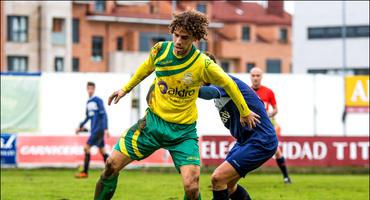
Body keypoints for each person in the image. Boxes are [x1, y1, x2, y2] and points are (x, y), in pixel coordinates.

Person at [94, 10, 260, 200]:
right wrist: (124, 89)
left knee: (192, 188)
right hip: (151, 125)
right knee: (110, 166)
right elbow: (146, 68)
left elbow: (229, 84)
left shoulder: (203, 64)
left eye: (185, 37)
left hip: (183, 134)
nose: (178, 41)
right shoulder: (160, 50)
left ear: (195, 38)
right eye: (176, 35)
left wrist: (244, 111)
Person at [199, 53, 278, 200]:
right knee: (228, 185)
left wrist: (183, 88)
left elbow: (208, 93)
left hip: (260, 140)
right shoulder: (220, 84)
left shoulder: (221, 80)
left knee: (218, 178)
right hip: (245, 141)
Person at [250, 67, 292, 184]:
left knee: (277, 151)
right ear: (250, 77)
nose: (255, 78)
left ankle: (286, 177)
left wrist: (269, 114)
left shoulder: (268, 92)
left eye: (258, 75)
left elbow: (276, 109)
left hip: (266, 126)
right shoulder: (246, 91)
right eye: (253, 75)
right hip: (252, 125)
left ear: (261, 77)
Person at [75, 81, 110, 178]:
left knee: (86, 148)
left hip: (98, 129)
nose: (90, 90)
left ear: (94, 89)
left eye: (92, 88)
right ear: (87, 89)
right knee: (103, 151)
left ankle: (85, 172)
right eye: (88, 88)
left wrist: (106, 128)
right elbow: (87, 117)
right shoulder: (88, 102)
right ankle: (112, 170)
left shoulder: (98, 100)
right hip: (94, 129)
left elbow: (104, 115)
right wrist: (80, 126)